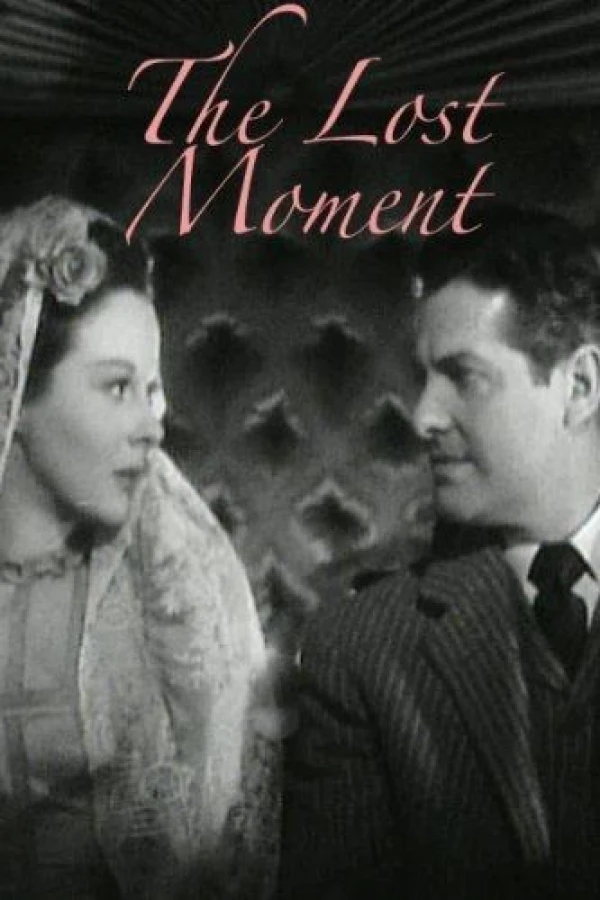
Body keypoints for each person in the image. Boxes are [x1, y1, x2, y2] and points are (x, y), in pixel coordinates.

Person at [279, 206, 600, 900]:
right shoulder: (359, 649)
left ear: (579, 387)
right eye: (424, 377)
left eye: (465, 376)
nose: (423, 415)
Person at [0, 196, 279, 899]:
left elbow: (216, 848)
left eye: (152, 390)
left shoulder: (175, 595)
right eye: (118, 387)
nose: (153, 425)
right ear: (16, 396)